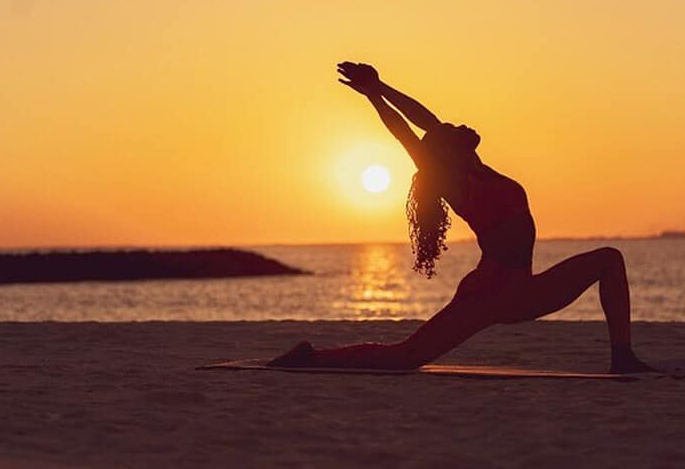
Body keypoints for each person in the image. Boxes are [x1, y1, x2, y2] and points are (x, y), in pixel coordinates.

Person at [268, 62, 654, 373]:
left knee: (609, 259)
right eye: (451, 130)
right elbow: (406, 132)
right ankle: (311, 357)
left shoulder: (476, 168)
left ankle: (622, 357)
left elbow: (424, 117)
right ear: (446, 153)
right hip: (491, 290)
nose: (456, 125)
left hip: (523, 288)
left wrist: (383, 84)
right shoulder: (453, 181)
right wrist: (374, 96)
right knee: (407, 357)